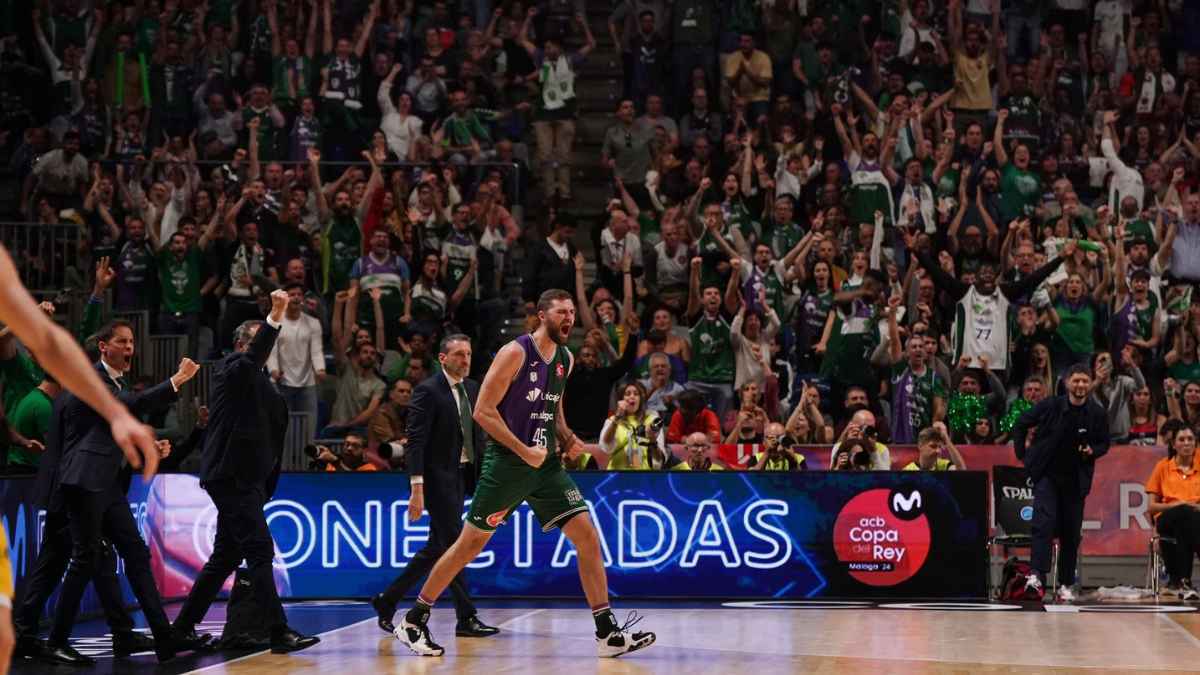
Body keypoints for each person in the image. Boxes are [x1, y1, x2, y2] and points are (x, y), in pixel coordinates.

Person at [394, 289, 655, 657]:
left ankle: (606, 632)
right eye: (562, 312)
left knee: (587, 537)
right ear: (541, 316)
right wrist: (524, 450)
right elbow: (482, 411)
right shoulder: (516, 352)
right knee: (468, 545)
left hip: (545, 465)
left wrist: (568, 439)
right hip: (507, 463)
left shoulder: (565, 358)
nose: (569, 319)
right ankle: (414, 620)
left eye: (571, 313)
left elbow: (555, 407)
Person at [172, 289, 320, 654]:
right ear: (241, 344)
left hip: (247, 481)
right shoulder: (233, 368)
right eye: (259, 341)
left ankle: (182, 629)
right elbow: (253, 358)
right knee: (259, 548)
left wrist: (265, 484)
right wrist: (276, 314)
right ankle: (277, 631)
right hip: (231, 476)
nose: (267, 347)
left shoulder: (261, 382)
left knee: (225, 556)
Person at [46, 322, 202, 664]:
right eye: (122, 341)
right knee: (85, 560)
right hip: (85, 482)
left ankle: (163, 637)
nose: (130, 347)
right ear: (104, 347)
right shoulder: (93, 380)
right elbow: (134, 402)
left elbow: (112, 427)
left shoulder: (116, 382)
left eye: (132, 342)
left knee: (135, 552)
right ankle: (56, 640)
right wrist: (177, 379)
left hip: (107, 485)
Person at [371, 334, 498, 639]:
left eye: (468, 354)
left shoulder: (472, 388)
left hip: (464, 475)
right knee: (456, 546)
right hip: (438, 479)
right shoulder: (428, 391)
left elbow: (477, 436)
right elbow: (415, 443)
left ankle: (387, 599)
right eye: (458, 354)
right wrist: (417, 488)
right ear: (443, 358)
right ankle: (466, 617)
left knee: (437, 548)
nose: (465, 360)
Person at [1011, 363, 1111, 603]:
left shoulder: (1097, 413)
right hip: (1048, 476)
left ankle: (1066, 583)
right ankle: (1036, 577)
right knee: (1043, 526)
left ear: (1089, 384)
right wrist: (1023, 455)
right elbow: (1021, 423)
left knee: (1070, 533)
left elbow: (1104, 443)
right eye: (1076, 380)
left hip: (1075, 481)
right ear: (1067, 383)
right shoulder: (1051, 406)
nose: (1080, 385)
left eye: (1085, 381)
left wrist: (1092, 450)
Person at [1145, 425, 1200, 599]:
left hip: (1194, 519)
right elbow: (1151, 507)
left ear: (1196, 444)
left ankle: (1181, 580)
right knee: (1184, 513)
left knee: (1187, 522)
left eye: (1190, 439)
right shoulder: (1162, 467)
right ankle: (1181, 580)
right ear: (1174, 445)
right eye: (1181, 439)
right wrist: (1178, 505)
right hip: (1166, 520)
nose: (1186, 443)